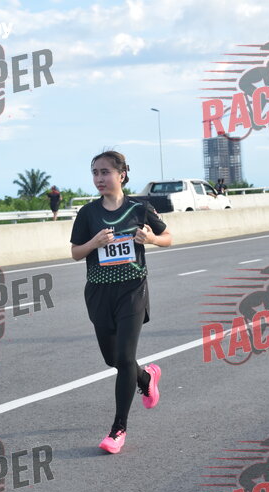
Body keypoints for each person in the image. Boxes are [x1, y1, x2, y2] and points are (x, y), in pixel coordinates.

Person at [70, 150, 172, 454]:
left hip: (132, 290)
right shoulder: (88, 213)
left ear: (122, 175)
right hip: (99, 293)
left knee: (126, 357)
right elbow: (75, 252)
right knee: (113, 359)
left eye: (105, 172)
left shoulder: (140, 209)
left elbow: (168, 237)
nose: (99, 178)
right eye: (95, 173)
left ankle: (118, 429)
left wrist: (152, 239)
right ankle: (147, 377)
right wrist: (94, 243)